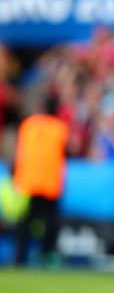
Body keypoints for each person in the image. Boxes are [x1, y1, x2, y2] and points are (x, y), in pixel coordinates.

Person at [12, 99, 68, 267]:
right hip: (49, 182)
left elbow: (19, 151)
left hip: (28, 181)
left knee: (25, 221)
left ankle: (20, 256)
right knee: (49, 222)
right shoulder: (60, 128)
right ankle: (46, 256)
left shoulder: (28, 125)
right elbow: (68, 150)